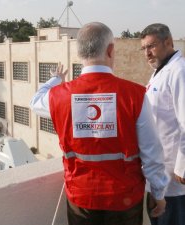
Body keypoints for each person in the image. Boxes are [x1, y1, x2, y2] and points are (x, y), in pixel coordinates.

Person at [30, 22, 168, 225]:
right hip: (125, 200)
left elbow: (35, 102)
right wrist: (159, 193)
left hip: (80, 198)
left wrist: (55, 80)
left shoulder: (58, 96)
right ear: (110, 50)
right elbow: (152, 152)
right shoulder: (135, 95)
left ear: (80, 53)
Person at [140, 23, 185, 225]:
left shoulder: (179, 71)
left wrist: (182, 168)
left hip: (175, 178)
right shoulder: (161, 70)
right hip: (159, 175)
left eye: (151, 46)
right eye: (144, 49)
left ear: (168, 42)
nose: (147, 53)